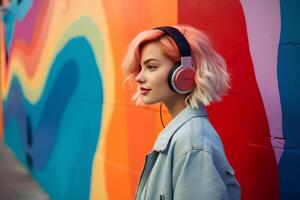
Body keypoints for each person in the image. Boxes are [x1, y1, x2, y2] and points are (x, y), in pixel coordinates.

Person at [121, 25, 240, 200]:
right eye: (140, 67)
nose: (139, 77)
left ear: (184, 73)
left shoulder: (193, 145)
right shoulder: (185, 137)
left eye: (151, 67)